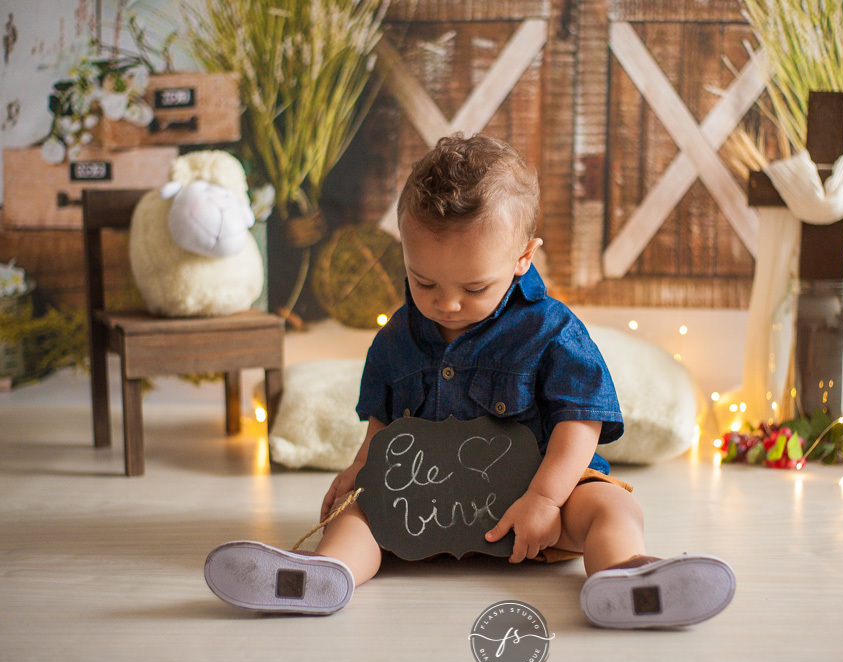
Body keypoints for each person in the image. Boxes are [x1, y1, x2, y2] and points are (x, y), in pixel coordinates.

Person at [205, 133, 735, 628]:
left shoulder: (552, 333)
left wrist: (547, 500)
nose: (447, 303)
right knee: (357, 514)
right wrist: (359, 469)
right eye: (424, 281)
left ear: (523, 257)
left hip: (538, 511)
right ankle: (320, 575)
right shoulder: (396, 339)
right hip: (420, 512)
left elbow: (581, 422)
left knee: (614, 506)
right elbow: (384, 424)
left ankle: (627, 579)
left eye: (474, 286)